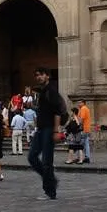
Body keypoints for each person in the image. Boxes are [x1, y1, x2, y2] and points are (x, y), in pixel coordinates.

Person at [29, 67, 65, 200]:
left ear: (47, 76)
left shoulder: (52, 90)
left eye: (41, 74)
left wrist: (56, 130)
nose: (38, 77)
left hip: (49, 129)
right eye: (37, 75)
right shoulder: (43, 92)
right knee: (32, 157)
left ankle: (50, 191)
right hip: (41, 129)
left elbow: (58, 112)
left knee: (46, 161)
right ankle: (51, 179)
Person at [77, 99, 92, 164]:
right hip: (87, 128)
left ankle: (80, 158)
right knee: (86, 143)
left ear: (83, 103)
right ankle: (87, 157)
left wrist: (79, 126)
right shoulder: (86, 108)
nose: (78, 104)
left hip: (83, 129)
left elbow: (81, 119)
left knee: (80, 143)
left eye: (80, 103)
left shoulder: (83, 108)